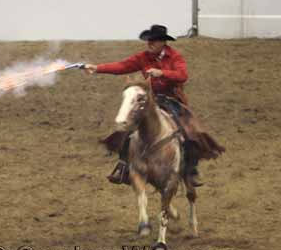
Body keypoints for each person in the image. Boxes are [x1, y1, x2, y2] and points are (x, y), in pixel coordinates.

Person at [84, 24, 225, 186]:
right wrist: (97, 68)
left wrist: (162, 73)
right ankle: (123, 165)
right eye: (149, 40)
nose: (150, 43)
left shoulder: (175, 57)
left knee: (190, 131)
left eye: (154, 40)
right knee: (128, 127)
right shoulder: (143, 57)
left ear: (163, 42)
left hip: (172, 100)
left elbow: (182, 75)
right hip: (149, 101)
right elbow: (122, 66)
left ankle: (191, 170)